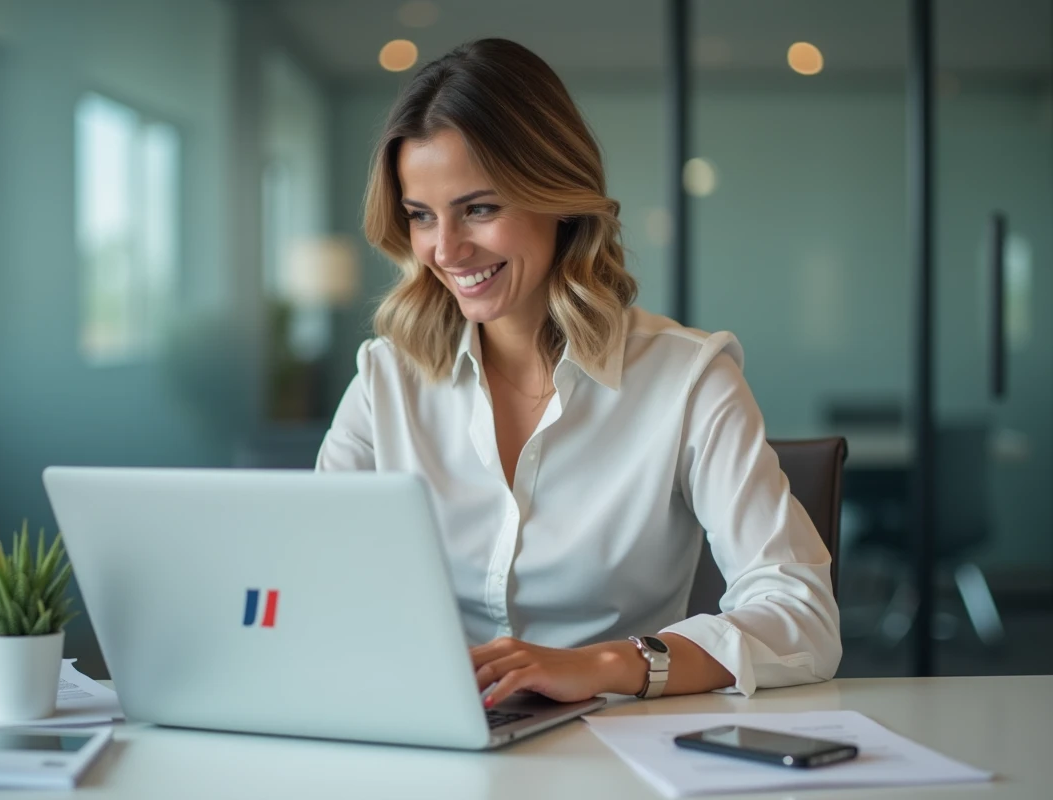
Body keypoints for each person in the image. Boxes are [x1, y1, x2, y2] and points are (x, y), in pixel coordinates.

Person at [316, 38, 841, 708]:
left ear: (558, 196)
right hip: (434, 744)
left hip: (622, 747)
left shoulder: (689, 379)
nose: (445, 250)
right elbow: (319, 590)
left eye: (479, 208)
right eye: (421, 216)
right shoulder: (386, 381)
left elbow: (801, 616)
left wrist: (600, 666)